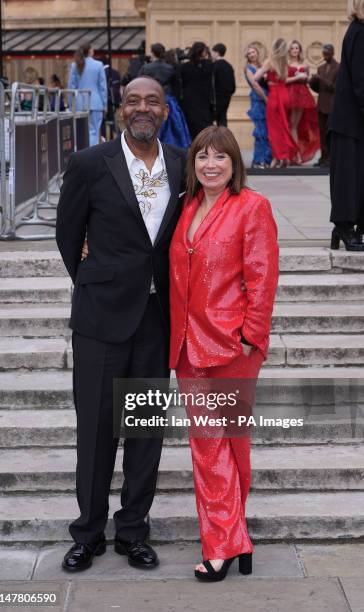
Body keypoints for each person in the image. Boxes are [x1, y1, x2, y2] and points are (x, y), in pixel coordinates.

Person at [56, 76, 187, 572]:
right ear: (120, 108)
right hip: (100, 319)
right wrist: (96, 278)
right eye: (133, 100)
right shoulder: (90, 163)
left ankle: (133, 532)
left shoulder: (181, 164)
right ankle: (87, 533)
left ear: (165, 110)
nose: (142, 108)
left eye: (152, 101)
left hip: (158, 320)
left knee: (146, 432)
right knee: (95, 432)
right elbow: (69, 234)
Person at [169, 125, 279, 581]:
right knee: (207, 447)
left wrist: (251, 337)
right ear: (192, 163)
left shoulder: (252, 207)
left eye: (220, 157)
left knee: (234, 446)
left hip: (232, 345)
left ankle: (233, 538)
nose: (210, 165)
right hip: (188, 347)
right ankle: (225, 542)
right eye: (202, 157)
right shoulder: (187, 206)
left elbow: (263, 276)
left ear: (235, 164)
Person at [329, 0, 364, 251]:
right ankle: (344, 227)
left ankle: (349, 228)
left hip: (352, 121)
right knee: (349, 178)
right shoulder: (361, 32)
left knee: (356, 177)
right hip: (351, 121)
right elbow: (362, 82)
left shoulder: (357, 30)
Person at [254, 38, 298, 167]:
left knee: (274, 130)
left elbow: (256, 77)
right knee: (284, 127)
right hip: (284, 95)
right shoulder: (285, 62)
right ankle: (284, 157)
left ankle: (278, 157)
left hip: (274, 96)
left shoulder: (270, 62)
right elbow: (284, 79)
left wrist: (266, 77)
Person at [139, 43, 191, 148]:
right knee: (173, 127)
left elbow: (139, 84)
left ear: (152, 52)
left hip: (151, 99)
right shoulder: (170, 68)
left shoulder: (146, 68)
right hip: (168, 99)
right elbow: (177, 86)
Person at [286, 40, 320, 163]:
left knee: (294, 125)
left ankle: (296, 155)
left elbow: (307, 82)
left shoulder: (304, 65)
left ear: (299, 50)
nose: (295, 50)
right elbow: (283, 80)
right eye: (292, 48)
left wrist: (307, 78)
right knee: (291, 125)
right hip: (289, 95)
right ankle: (294, 154)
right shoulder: (286, 64)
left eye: (297, 48)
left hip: (302, 96)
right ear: (289, 51)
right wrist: (296, 77)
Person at [68, 42, 107, 147]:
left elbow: (71, 87)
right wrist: (105, 105)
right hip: (96, 102)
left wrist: (71, 105)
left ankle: (83, 153)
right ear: (90, 51)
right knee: (94, 131)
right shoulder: (98, 65)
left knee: (81, 131)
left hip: (80, 103)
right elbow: (103, 87)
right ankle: (92, 153)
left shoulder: (75, 65)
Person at [309, 44, 340, 167]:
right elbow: (318, 89)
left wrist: (320, 79)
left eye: (327, 53)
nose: (325, 55)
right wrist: (313, 82)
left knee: (330, 134)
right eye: (324, 53)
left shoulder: (339, 67)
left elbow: (335, 88)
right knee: (321, 133)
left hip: (332, 106)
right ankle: (323, 157)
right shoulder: (320, 68)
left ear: (332, 53)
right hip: (321, 105)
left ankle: (331, 158)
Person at [244, 45, 272, 168]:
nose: (252, 54)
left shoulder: (262, 67)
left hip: (268, 98)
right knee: (260, 130)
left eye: (253, 52)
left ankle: (267, 159)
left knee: (268, 130)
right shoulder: (248, 68)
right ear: (247, 56)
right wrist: (265, 99)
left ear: (257, 53)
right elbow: (255, 85)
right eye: (249, 53)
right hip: (258, 100)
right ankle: (258, 159)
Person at [180, 42, 214, 139]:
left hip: (189, 101)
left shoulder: (184, 66)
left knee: (191, 130)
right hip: (204, 100)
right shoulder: (209, 65)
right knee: (205, 130)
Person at [211, 43, 236, 127]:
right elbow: (233, 86)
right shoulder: (229, 66)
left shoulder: (214, 66)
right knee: (223, 119)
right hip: (227, 97)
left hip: (216, 98)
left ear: (217, 52)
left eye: (213, 52)